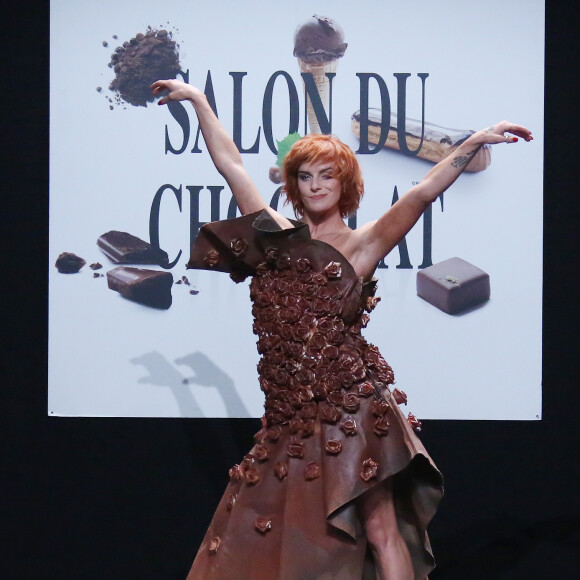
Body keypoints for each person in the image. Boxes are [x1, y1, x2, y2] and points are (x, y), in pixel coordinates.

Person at [151, 79, 532, 580]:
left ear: (344, 184)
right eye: (305, 176)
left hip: (351, 405)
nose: (315, 186)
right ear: (293, 183)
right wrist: (200, 101)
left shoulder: (362, 246)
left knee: (379, 528)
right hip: (289, 415)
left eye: (327, 176)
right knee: (266, 530)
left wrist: (473, 142)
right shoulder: (273, 236)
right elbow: (231, 165)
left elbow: (420, 193)